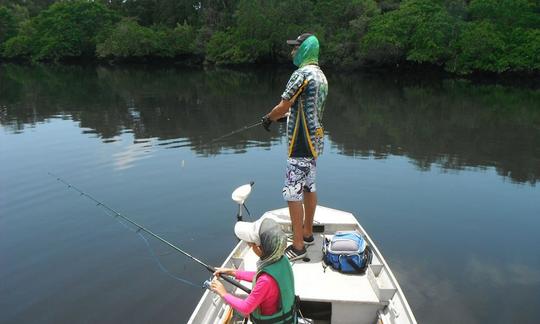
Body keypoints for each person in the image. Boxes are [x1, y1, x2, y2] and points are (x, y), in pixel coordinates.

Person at [261, 33, 328, 261]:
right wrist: (286, 116)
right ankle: (307, 233)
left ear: (306, 48)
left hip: (300, 142)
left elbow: (283, 105)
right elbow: (304, 108)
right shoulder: (321, 76)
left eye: (296, 47)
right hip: (314, 142)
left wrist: (269, 117)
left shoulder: (301, 74)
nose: (292, 52)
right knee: (309, 187)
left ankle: (298, 246)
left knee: (292, 193)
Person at [209, 217, 296, 323]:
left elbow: (246, 308)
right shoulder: (282, 260)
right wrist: (232, 272)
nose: (250, 246)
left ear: (259, 248)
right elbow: (260, 276)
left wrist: (223, 293)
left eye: (251, 244)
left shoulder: (265, 280)